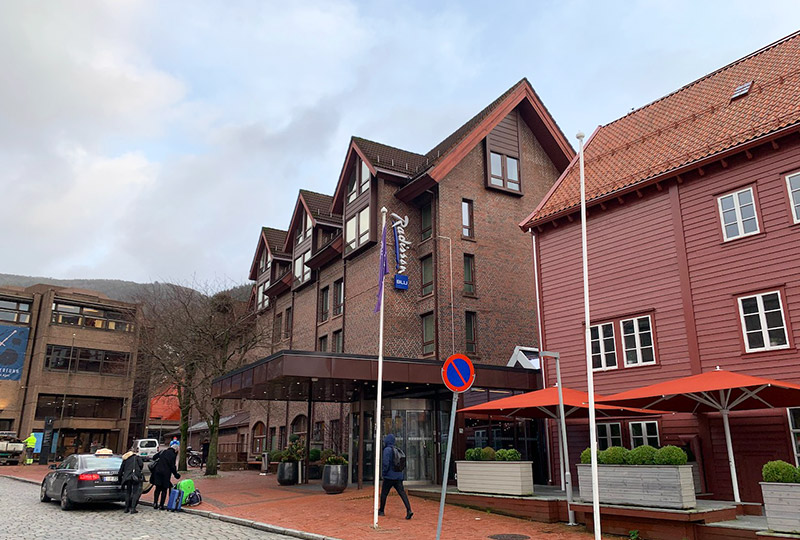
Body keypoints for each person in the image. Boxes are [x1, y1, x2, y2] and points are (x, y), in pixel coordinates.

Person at [378, 433, 413, 520]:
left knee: (384, 493)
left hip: (389, 476)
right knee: (402, 493)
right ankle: (409, 510)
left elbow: (385, 463)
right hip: (398, 476)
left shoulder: (387, 450)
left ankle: (381, 510)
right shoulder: (397, 450)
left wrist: (383, 473)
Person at [150, 440, 180, 510]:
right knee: (164, 489)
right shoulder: (173, 455)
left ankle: (155, 503)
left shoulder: (163, 451)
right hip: (166, 474)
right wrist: (176, 474)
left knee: (157, 488)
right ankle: (161, 505)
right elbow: (173, 466)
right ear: (175, 450)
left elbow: (154, 457)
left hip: (157, 472)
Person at [118, 447, 145, 513]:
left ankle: (126, 508)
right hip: (135, 477)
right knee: (135, 492)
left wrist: (120, 480)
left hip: (127, 477)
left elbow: (121, 470)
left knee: (128, 492)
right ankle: (133, 508)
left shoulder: (125, 459)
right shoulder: (137, 458)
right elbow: (141, 465)